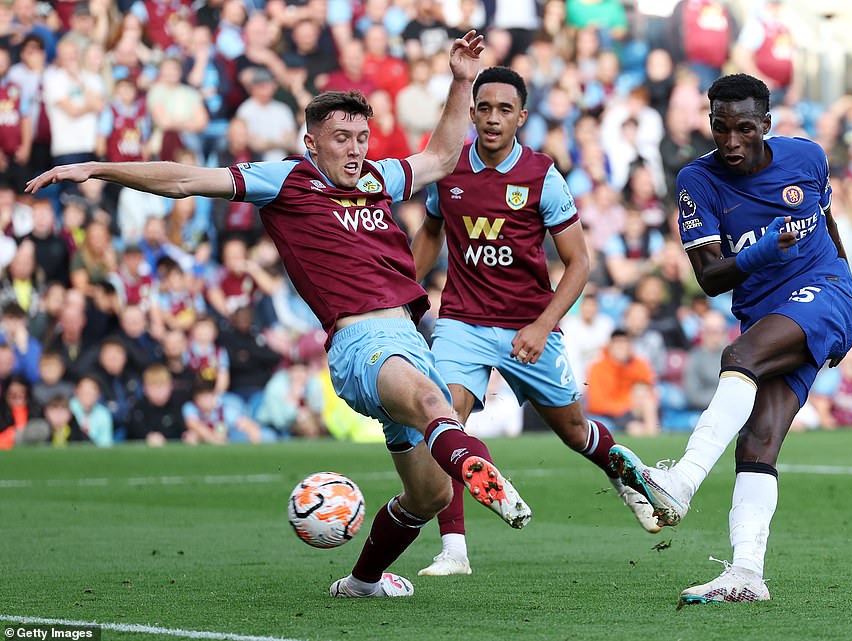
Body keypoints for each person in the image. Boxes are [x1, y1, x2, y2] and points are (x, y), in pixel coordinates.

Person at [27, 31, 532, 599]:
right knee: (436, 407)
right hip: (361, 342)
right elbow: (186, 180)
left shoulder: (377, 179)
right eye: (341, 138)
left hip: (410, 339)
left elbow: (441, 156)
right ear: (311, 142)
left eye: (362, 137)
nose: (355, 149)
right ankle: (481, 470)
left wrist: (463, 78)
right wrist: (97, 167)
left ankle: (362, 581)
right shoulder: (287, 180)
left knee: (430, 497)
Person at [608, 74, 852, 606]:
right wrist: (765, 249)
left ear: (766, 124)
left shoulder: (807, 157)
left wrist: (845, 289)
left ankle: (682, 482)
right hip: (767, 312)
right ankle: (747, 574)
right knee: (757, 443)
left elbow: (829, 224)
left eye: (745, 128)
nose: (732, 141)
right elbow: (710, 277)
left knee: (739, 356)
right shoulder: (698, 181)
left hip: (825, 291)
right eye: (721, 128)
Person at [411, 66, 659, 577]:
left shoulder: (542, 175)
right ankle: (454, 550)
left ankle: (630, 480)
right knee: (445, 422)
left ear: (521, 117)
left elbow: (581, 262)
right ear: (472, 112)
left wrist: (544, 324)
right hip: (462, 320)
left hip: (529, 323)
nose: (493, 118)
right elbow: (431, 230)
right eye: (484, 108)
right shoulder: (450, 167)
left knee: (574, 432)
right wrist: (407, 292)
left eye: (506, 110)